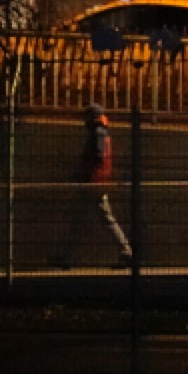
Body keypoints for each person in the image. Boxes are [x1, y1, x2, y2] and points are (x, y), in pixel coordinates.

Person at [57, 104, 132, 268]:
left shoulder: (97, 133)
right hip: (99, 182)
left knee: (83, 220)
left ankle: (66, 257)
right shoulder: (103, 132)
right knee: (93, 218)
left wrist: (81, 173)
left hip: (92, 183)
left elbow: (96, 157)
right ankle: (66, 256)